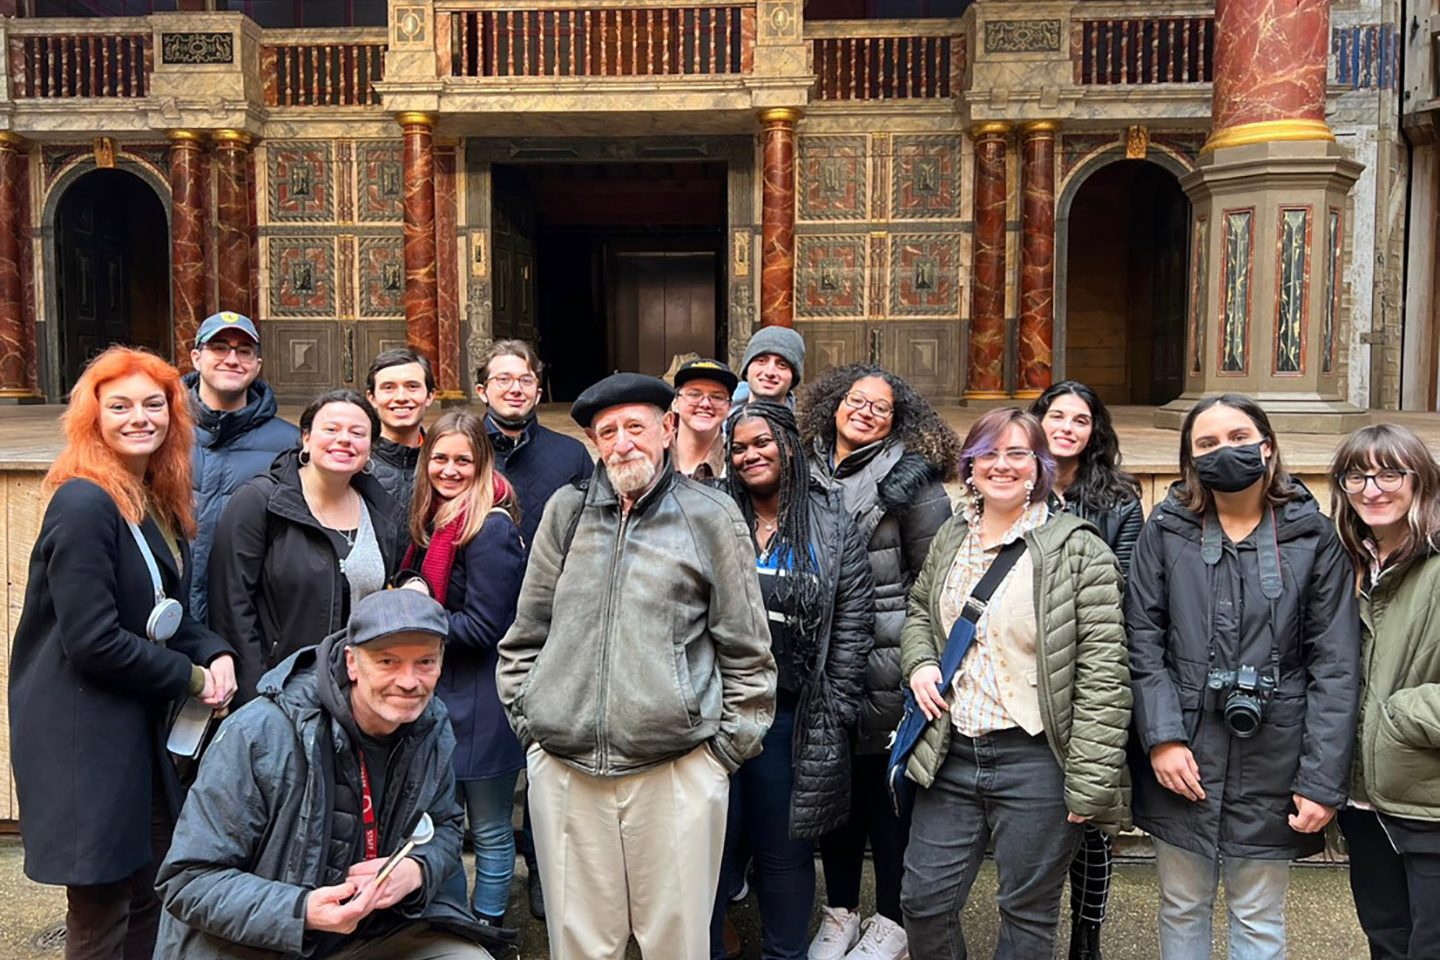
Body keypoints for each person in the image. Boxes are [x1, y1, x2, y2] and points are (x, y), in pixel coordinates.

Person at [497, 372, 776, 960]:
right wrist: (534, 728)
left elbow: (748, 651)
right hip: (566, 770)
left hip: (675, 770)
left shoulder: (711, 516)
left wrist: (720, 756)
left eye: (635, 427)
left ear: (668, 429)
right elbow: (526, 633)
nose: (622, 443)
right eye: (607, 432)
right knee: (579, 944)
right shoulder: (566, 512)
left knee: (674, 944)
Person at [9, 346, 237, 960]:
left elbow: (166, 616)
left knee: (149, 892)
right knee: (103, 908)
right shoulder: (83, 502)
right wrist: (191, 679)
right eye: (120, 406)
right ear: (93, 417)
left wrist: (214, 651)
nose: (140, 417)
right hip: (85, 735)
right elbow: (93, 641)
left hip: (136, 732)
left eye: (154, 404)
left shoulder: (152, 498)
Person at [1126, 394, 1359, 960]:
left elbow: (1335, 662)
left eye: (1237, 437)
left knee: (1258, 914)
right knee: (1181, 905)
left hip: (1276, 754)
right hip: (1183, 754)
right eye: (1206, 444)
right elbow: (1143, 641)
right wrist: (1162, 738)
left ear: (1267, 445)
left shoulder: (1312, 534)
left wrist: (1321, 779)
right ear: (1190, 459)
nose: (1223, 451)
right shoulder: (1167, 528)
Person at [154, 589, 508, 960]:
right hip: (258, 943)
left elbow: (446, 827)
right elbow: (186, 881)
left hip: (369, 932)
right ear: (352, 663)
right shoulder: (261, 733)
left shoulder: (429, 725)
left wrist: (415, 871)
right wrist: (301, 910)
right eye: (387, 661)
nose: (409, 681)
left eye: (425, 662)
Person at [898, 407, 1131, 960]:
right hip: (950, 753)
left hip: (1036, 761)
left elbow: (1104, 673)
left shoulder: (1079, 549)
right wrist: (920, 663)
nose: (1001, 465)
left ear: (1039, 466)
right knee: (923, 902)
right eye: (987, 453)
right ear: (970, 465)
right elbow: (918, 612)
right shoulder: (953, 534)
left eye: (1017, 453)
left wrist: (1092, 781)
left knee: (1026, 916)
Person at [798, 363, 957, 960]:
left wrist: (920, 658)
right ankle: (840, 911)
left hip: (888, 659)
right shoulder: (802, 465)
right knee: (833, 794)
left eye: (881, 407)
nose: (865, 411)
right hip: (819, 658)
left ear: (898, 420)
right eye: (856, 400)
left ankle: (892, 920)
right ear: (834, 405)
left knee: (887, 798)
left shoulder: (912, 481)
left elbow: (935, 580)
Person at [709, 401, 875, 960]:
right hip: (717, 715)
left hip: (792, 719)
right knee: (709, 850)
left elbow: (853, 626)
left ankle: (785, 955)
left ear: (789, 445)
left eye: (763, 443)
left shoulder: (831, 522)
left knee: (785, 856)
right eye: (739, 447)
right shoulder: (714, 512)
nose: (751, 455)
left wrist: (835, 710)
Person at [473, 338, 593, 918]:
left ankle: (548, 873)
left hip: (552, 627)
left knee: (548, 763)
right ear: (483, 390)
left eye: (524, 379)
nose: (514, 387)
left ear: (538, 389)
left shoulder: (570, 457)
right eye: (502, 379)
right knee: (493, 766)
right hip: (479, 625)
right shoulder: (463, 448)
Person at [1029, 379, 1142, 960]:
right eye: (1057, 416)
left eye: (1080, 419)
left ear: (1094, 430)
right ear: (1039, 421)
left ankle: (1086, 938)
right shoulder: (1016, 483)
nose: (1067, 428)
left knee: (1093, 812)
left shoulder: (1119, 497)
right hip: (1031, 670)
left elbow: (1124, 582)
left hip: (1093, 663)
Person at [401, 410, 527, 932]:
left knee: (492, 828)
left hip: (482, 703)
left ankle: (487, 926)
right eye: (440, 458)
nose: (449, 470)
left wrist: (415, 616)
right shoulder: (434, 518)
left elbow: (485, 626)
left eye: (463, 460)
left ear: (482, 464)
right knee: (441, 829)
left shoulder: (489, 528)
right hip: (441, 698)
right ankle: (453, 924)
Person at [210, 389, 403, 703]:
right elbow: (231, 606)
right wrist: (259, 694)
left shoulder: (382, 510)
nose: (344, 439)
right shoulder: (261, 501)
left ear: (370, 448)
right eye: (331, 429)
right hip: (280, 688)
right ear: (306, 438)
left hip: (356, 693)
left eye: (358, 433)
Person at [1329, 424, 1440, 960]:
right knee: (1386, 942)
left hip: (1429, 799)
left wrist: (1397, 717)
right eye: (1357, 475)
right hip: (1361, 800)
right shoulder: (1345, 564)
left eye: (1390, 472)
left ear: (1420, 480)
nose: (1373, 489)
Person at [185, 310, 299, 625]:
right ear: (196, 358)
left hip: (246, 612)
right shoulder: (163, 430)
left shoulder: (288, 444)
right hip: (171, 609)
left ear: (257, 366)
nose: (232, 359)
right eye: (219, 347)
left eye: (244, 350)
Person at [366, 347, 437, 535]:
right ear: (372, 398)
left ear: (430, 396)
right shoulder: (355, 463)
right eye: (388, 387)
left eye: (412, 386)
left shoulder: (446, 463)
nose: (401, 398)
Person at [673, 358, 738, 479]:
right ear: (675, 403)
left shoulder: (737, 462)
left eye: (717, 397)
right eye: (694, 394)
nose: (705, 404)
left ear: (729, 408)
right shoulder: (655, 455)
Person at [732, 325, 806, 407]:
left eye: (782, 365)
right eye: (761, 361)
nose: (770, 372)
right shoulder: (719, 416)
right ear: (746, 370)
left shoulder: (806, 419)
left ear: (793, 378)